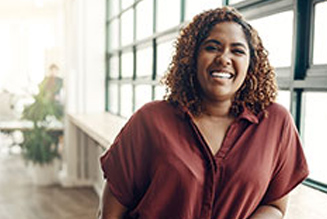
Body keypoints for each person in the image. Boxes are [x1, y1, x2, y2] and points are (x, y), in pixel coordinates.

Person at [98, 6, 309, 219]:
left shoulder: (275, 123)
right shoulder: (150, 120)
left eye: (237, 50)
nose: (224, 58)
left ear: (251, 64)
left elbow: (275, 205)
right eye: (212, 47)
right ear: (192, 57)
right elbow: (111, 210)